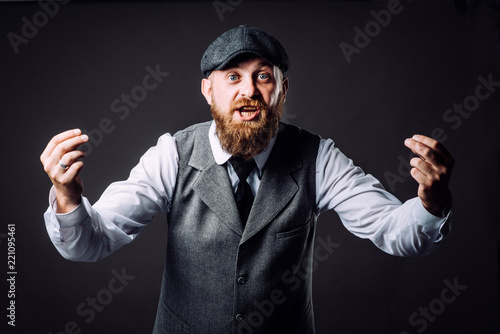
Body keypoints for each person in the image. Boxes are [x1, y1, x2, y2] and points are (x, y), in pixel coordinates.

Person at [40, 25, 454, 334]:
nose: (249, 91)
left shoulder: (317, 157)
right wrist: (68, 197)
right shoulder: (172, 155)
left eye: (263, 76)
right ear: (208, 90)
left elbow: (394, 230)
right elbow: (93, 241)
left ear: (282, 89)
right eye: (233, 77)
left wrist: (430, 202)